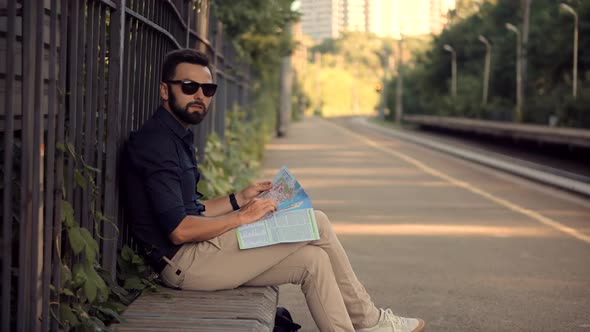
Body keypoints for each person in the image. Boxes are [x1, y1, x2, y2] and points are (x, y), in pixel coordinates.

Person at [122, 48, 426, 332]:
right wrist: (243, 217)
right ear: (165, 90)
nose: (200, 95)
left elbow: (193, 210)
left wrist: (238, 199)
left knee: (313, 262)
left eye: (208, 89)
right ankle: (371, 322)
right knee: (316, 222)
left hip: (199, 255)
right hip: (186, 263)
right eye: (189, 87)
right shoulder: (157, 144)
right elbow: (181, 230)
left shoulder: (175, 137)